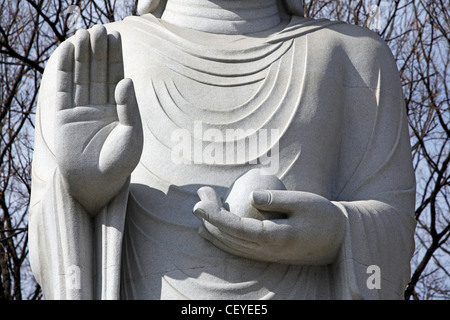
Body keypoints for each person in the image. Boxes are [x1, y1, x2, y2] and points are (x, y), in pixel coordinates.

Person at [29, 0, 416, 299]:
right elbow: (50, 256)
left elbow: (394, 228)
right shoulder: (99, 60)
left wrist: (334, 233)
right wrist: (83, 195)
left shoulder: (354, 55)